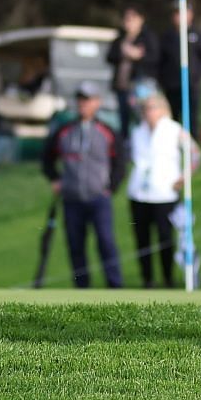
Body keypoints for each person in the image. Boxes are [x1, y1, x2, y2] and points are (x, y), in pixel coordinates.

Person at [40, 81, 126, 289]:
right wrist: (55, 178)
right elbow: (46, 158)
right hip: (72, 198)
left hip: (99, 197)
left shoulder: (107, 131)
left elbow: (120, 163)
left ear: (97, 102)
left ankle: (116, 288)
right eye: (80, 100)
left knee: (106, 242)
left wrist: (110, 188)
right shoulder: (64, 131)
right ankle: (82, 289)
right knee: (75, 246)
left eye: (87, 100)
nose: (83, 104)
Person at [127, 91, 196, 289]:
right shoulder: (137, 131)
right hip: (139, 193)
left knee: (165, 238)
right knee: (142, 240)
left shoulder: (175, 130)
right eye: (145, 109)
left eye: (152, 108)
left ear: (162, 109)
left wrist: (185, 176)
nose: (148, 112)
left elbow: (194, 154)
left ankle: (168, 278)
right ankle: (147, 279)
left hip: (165, 194)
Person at [156, 0, 201, 138]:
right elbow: (160, 62)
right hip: (171, 87)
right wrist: (163, 80)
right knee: (172, 120)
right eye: (177, 13)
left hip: (191, 86)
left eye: (183, 13)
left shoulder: (198, 35)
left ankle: (192, 148)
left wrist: (196, 74)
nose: (179, 16)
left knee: (191, 120)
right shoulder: (166, 37)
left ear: (190, 15)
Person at [108, 3, 158, 139]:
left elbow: (155, 58)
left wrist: (138, 56)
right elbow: (109, 57)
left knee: (140, 117)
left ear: (140, 19)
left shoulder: (147, 37)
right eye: (126, 18)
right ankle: (125, 146)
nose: (128, 22)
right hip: (121, 86)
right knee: (123, 118)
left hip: (140, 86)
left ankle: (143, 143)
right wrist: (123, 52)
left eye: (132, 18)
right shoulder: (120, 38)